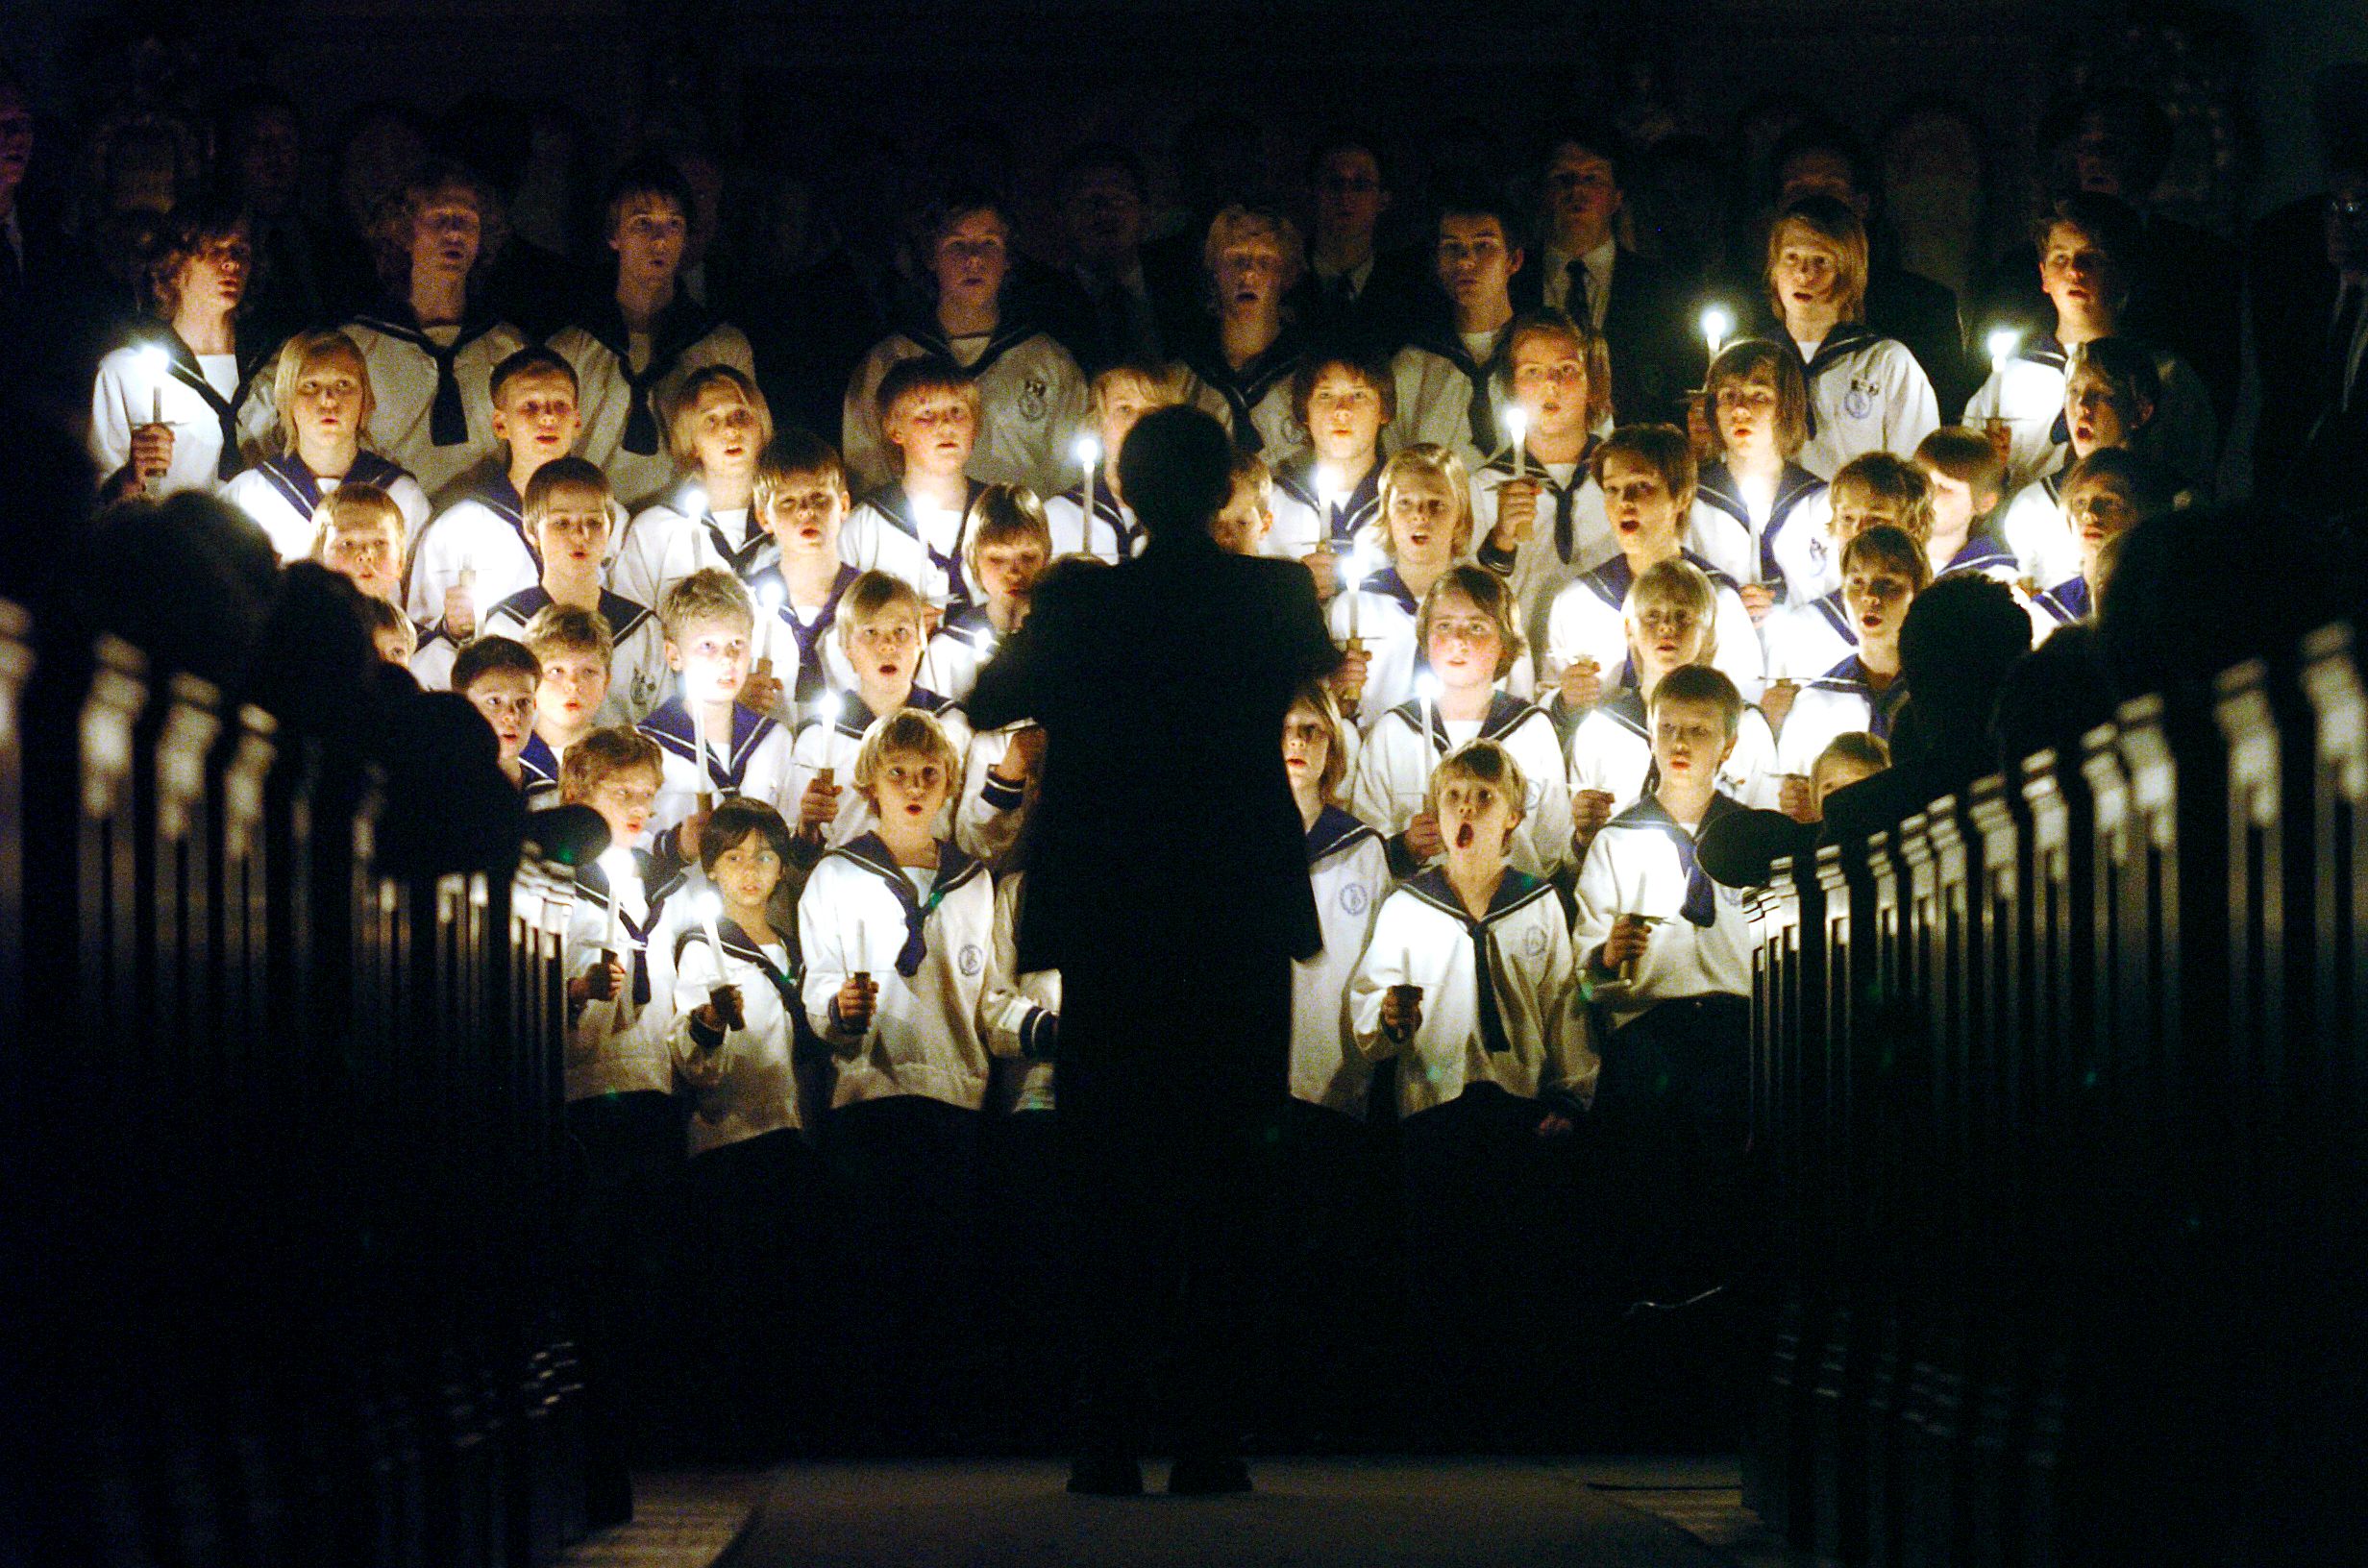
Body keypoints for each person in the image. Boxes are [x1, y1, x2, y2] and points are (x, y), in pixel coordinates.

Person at [964, 404, 1338, 1495]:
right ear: (1225, 487)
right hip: (1230, 904)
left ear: (1123, 491)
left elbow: (990, 695)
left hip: (1116, 909)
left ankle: (1108, 1437)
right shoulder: (1268, 590)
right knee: (1229, 1174)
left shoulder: (1085, 595)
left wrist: (1040, 615)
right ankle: (1212, 1439)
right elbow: (1319, 659)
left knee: (1110, 1177)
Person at [1348, 738, 1591, 1441]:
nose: (1468, 809)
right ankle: (1440, 1409)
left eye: (1485, 798)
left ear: (1513, 816)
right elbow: (1371, 994)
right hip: (1436, 1104)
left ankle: (1509, 1408)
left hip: (1512, 1103)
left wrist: (1569, 1095)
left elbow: (1562, 1006)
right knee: (1437, 1260)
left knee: (1513, 1261)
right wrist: (1388, 1018)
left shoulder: (1537, 905)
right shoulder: (1410, 906)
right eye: (1455, 796)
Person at [799, 709, 997, 1443]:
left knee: (948, 1261)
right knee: (874, 1260)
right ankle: (877, 1417)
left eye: (928, 775)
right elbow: (817, 978)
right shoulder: (838, 875)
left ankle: (945, 1416)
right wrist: (838, 1008)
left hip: (955, 1094)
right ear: (870, 784)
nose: (914, 787)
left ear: (948, 784)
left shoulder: (974, 881)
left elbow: (989, 991)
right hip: (870, 1092)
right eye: (898, 775)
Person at [1572, 663, 1756, 1296]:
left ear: (1728, 745)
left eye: (1699, 731)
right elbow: (1584, 977)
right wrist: (1605, 956)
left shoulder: (1753, 839)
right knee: (1652, 1190)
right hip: (1650, 1033)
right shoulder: (1618, 841)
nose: (1680, 744)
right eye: (1668, 728)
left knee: (1727, 1190)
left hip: (1735, 1033)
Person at [669, 796, 829, 1458]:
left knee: (781, 1287)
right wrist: (709, 1022)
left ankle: (779, 1420)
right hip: (729, 1136)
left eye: (764, 856)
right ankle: (729, 1430)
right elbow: (690, 1053)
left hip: (786, 1130)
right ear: (710, 869)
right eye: (734, 858)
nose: (751, 871)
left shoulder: (790, 946)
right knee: (730, 1291)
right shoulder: (701, 951)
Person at [557, 725, 689, 1482]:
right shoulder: (559, 879)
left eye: (647, 794)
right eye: (621, 793)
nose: (638, 807)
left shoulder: (655, 883)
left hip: (653, 1089)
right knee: (596, 1268)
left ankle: (646, 1431)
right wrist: (576, 992)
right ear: (580, 793)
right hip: (589, 1092)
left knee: (650, 1267)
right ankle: (596, 1437)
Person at [842, 191, 1089, 498]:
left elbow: (1070, 477)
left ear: (1008, 259)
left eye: (989, 243)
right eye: (956, 244)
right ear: (932, 257)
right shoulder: (889, 362)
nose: (973, 259)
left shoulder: (1049, 362)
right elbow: (866, 469)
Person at [1961, 194, 2214, 492]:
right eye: (2060, 258)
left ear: (2123, 274)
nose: (2074, 271)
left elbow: (2191, 480)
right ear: (2043, 275)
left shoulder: (2163, 375)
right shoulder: (2011, 377)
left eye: (2092, 258)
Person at [551, 157, 756, 511]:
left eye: (673, 224)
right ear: (614, 236)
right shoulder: (573, 349)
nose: (659, 240)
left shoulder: (720, 347)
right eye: (642, 224)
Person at [1348, 565, 1569, 881]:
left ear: (1504, 644)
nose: (1458, 640)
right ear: (1425, 640)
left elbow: (1551, 845)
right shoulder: (1393, 732)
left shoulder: (1531, 730)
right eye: (1444, 626)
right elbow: (1366, 846)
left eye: (1476, 627)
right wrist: (1405, 849)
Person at [341, 160, 530, 498]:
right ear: (403, 231)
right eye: (439, 218)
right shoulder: (357, 347)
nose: (454, 232)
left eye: (467, 220)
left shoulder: (506, 347)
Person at [404, 349, 592, 686]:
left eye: (559, 405)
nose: (547, 418)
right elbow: (414, 637)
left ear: (577, 421)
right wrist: (452, 628)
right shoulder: (459, 527)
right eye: (530, 406)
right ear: (500, 423)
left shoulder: (608, 521)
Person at [1566, 558, 1781, 848]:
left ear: (1708, 629)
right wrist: (1583, 839)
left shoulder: (1746, 726)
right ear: (1629, 628)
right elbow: (1565, 854)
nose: (1667, 628)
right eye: (1652, 616)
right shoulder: (1600, 730)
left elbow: (1768, 829)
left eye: (1682, 616)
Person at [1541, 423, 1761, 704]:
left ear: (1681, 497)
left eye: (1642, 486)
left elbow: (1744, 703)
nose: (1624, 502)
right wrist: (1564, 702)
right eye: (1612, 489)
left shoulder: (1719, 600)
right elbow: (1548, 700)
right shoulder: (1577, 602)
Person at [89, 200, 269, 501]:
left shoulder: (271, 368)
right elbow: (99, 497)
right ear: (173, 266)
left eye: (241, 251)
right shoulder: (126, 372)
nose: (231, 263)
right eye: (213, 250)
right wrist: (131, 474)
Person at [1512, 121, 1690, 424]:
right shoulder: (1512, 281)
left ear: (1617, 197)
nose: (1576, 191)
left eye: (1592, 178)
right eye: (1562, 179)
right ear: (1543, 193)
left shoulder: (1661, 288)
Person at [786, 571, 974, 850]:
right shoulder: (818, 736)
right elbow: (794, 849)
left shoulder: (951, 724)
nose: (887, 646)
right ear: (846, 646)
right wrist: (807, 827)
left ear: (921, 639)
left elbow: (968, 832)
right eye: (870, 633)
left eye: (901, 631)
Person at [1761, 193, 1940, 480]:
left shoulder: (1886, 364)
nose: (1803, 274)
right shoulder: (1752, 361)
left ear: (1849, 272)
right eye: (1791, 258)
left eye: (1820, 261)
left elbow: (1916, 474)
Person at [474, 458, 663, 719]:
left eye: (594, 523)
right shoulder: (505, 628)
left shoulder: (642, 630)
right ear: (531, 531)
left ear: (610, 529)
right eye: (562, 523)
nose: (580, 535)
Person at [223, 329, 432, 562]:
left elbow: (421, 597)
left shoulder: (401, 497)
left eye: (343, 384)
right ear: (286, 399)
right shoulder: (249, 497)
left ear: (365, 398)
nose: (328, 400)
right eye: (310, 386)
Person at [1469, 309, 1616, 630]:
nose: (1551, 384)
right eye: (1533, 372)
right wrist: (1501, 538)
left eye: (1566, 369)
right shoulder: (1483, 488)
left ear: (1592, 385)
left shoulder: (1619, 478)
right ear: (1512, 390)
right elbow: (1469, 600)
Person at [1326, 444, 1485, 723]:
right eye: (1405, 503)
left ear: (1460, 515)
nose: (1420, 516)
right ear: (1386, 515)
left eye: (1436, 504)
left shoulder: (1486, 605)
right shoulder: (1355, 606)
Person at [637, 569, 793, 844]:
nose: (727, 659)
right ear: (674, 656)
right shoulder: (644, 746)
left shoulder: (773, 738)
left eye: (737, 644)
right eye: (708, 646)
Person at [1991, 337, 2161, 587]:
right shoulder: (2034, 506)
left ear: (2141, 411)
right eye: (2074, 391)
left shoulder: (2173, 504)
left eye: (2101, 393)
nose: (2082, 406)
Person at [1687, 338, 1833, 618]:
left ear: (1785, 409)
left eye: (1759, 396)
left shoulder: (1822, 504)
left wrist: (1780, 605)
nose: (1740, 410)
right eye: (1728, 397)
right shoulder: (1692, 502)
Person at [608, 364, 775, 607]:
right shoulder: (656, 530)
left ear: (761, 428)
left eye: (740, 415)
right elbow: (635, 627)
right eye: (711, 420)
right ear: (692, 441)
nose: (730, 429)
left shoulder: (790, 521)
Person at [1770, 523, 1926, 782]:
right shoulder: (1816, 701)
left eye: (1887, 583)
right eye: (1856, 582)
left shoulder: (1938, 691)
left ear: (1918, 592)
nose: (1869, 596)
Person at [1392, 191, 1523, 469]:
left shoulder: (1542, 357)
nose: (1465, 261)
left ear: (1514, 260)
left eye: (1483, 246)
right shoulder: (1410, 368)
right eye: (1451, 247)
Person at [1178, 204, 1309, 457]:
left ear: (1287, 275)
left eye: (1265, 261)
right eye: (1236, 260)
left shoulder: (1310, 376)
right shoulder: (1184, 378)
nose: (1248, 273)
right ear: (1214, 271)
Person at [1043, 360, 1200, 560]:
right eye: (1124, 409)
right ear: (1098, 423)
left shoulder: (1189, 521)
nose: (1137, 423)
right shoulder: (1057, 518)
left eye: (1151, 412)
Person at [1294, 129, 1428, 352]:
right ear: (1312, 193)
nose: (1346, 196)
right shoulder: (1281, 281)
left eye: (1361, 185)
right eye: (1334, 183)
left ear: (1383, 200)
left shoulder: (1412, 289)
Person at [1266, 348, 1394, 577]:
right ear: (1304, 410)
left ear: (1384, 410)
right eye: (1326, 395)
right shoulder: (1271, 504)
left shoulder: (1408, 502)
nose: (1342, 410)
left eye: (1358, 395)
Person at [2026, 447, 2177, 641]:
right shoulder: (2047, 616)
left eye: (2109, 502)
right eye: (2080, 502)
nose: (2089, 514)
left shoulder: (2166, 606)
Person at [920, 483, 1047, 703]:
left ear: (1045, 557)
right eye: (997, 559)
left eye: (1027, 557)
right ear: (973, 560)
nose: (1014, 573)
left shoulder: (1059, 639)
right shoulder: (946, 651)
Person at [1912, 426, 2018, 582]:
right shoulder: (1884, 557)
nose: (1926, 495)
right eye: (1920, 481)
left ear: (1984, 503)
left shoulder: (1994, 578)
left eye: (1945, 489)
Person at [452, 633, 542, 788]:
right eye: (494, 701)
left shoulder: (550, 797)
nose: (512, 716)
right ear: (463, 707)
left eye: (523, 702)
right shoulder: (438, 793)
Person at [308, 482, 409, 608]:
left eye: (379, 543)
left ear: (400, 563)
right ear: (317, 564)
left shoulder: (411, 629)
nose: (365, 555)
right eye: (347, 544)